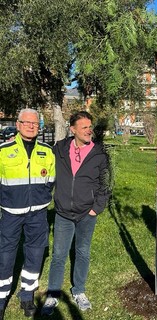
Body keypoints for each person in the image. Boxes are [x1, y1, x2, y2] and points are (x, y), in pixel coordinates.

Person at [41, 111, 111, 316]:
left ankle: (79, 290)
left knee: (82, 252)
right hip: (63, 212)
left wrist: (95, 208)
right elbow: (43, 162)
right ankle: (53, 294)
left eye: (90, 127)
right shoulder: (60, 149)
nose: (89, 130)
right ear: (73, 129)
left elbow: (105, 184)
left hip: (86, 213)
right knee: (59, 255)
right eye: (84, 127)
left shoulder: (99, 153)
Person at [0, 108, 55, 319]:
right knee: (5, 255)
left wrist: (40, 198)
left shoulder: (46, 151)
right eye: (27, 122)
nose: (31, 126)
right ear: (18, 124)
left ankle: (27, 295)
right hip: (11, 213)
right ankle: (2, 297)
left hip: (38, 214)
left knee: (35, 253)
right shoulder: (4, 150)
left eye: (35, 123)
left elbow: (50, 179)